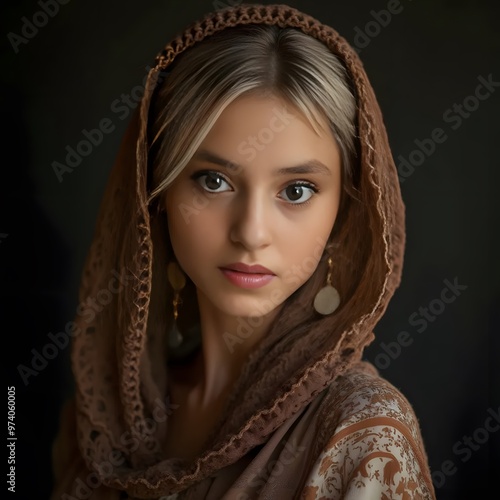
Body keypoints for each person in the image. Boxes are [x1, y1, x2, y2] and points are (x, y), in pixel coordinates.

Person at [50, 3, 436, 499]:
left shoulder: (361, 435)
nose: (251, 232)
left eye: (296, 190)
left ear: (345, 210)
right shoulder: (102, 422)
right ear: (157, 195)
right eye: (213, 181)